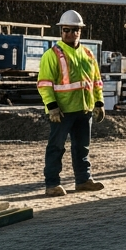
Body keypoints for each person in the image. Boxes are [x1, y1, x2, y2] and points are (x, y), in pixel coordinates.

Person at [37, 10, 105, 196]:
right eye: (66, 29)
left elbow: (96, 81)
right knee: (56, 148)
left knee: (82, 147)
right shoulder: (52, 55)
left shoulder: (88, 54)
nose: (70, 33)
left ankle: (83, 180)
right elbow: (44, 84)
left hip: (84, 109)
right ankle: (52, 184)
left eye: (74, 30)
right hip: (62, 111)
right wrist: (52, 107)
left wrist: (99, 102)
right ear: (61, 30)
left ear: (80, 31)